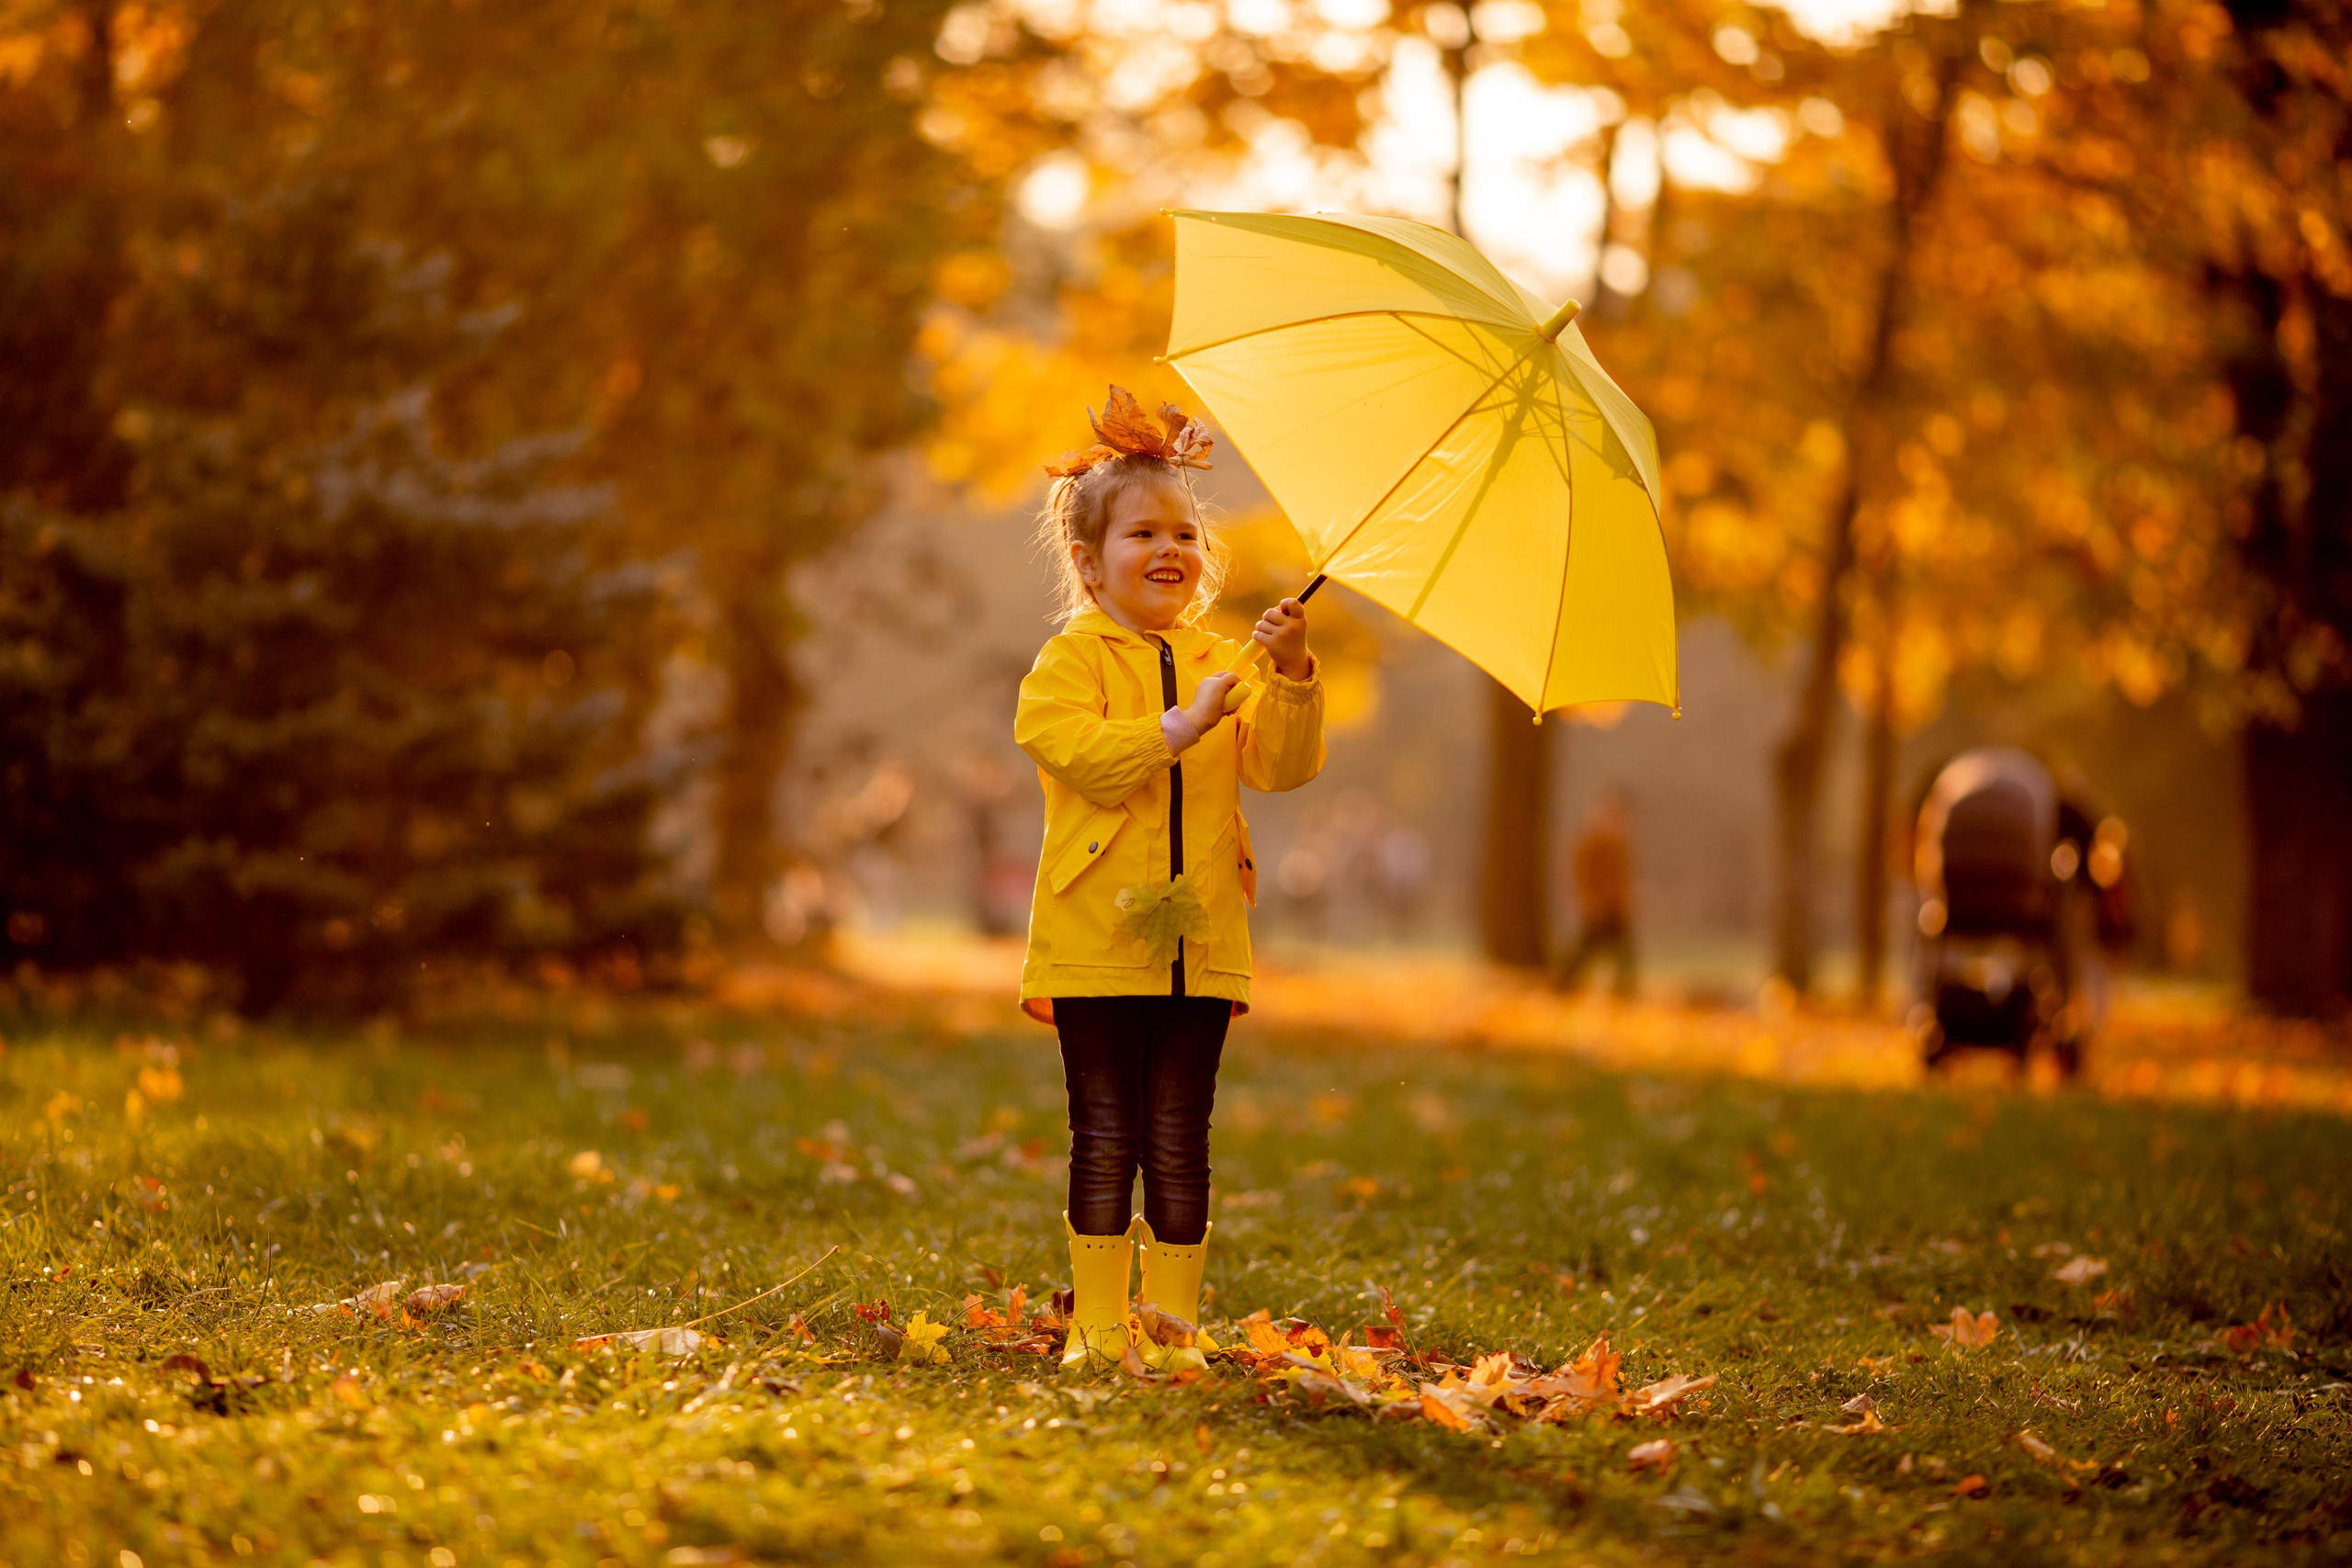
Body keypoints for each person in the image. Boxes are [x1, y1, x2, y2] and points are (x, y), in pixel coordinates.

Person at [1015, 387, 1328, 1372]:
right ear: (1087, 559)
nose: (1169, 550)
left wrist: (1289, 676)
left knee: (1181, 1135)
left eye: (1185, 533)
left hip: (1202, 937)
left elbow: (1279, 767)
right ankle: (1099, 1324)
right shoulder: (1065, 664)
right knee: (1106, 1129)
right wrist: (1178, 725)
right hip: (1095, 939)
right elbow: (1082, 758)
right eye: (1142, 532)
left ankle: (1171, 1326)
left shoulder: (1220, 661)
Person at [1553, 789, 1636, 997]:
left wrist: (1626, 902)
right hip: (1597, 907)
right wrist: (1587, 902)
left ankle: (1623, 991)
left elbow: (1624, 879)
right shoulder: (1590, 843)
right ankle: (1563, 983)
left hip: (1615, 908)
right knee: (1585, 951)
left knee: (1623, 953)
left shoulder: (1620, 845)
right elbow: (1580, 876)